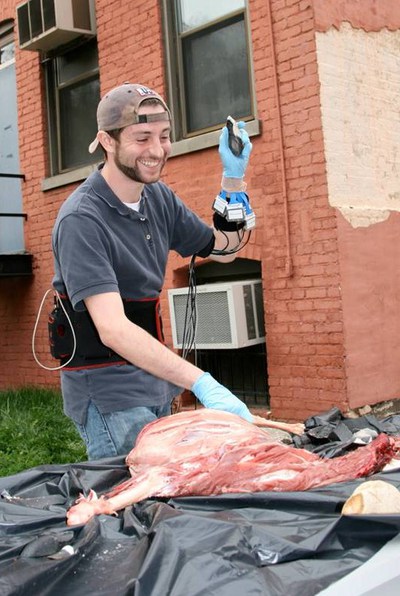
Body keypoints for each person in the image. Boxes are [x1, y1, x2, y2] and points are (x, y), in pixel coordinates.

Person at [51, 82, 254, 460]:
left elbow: (224, 250)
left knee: (171, 503)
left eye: (163, 136)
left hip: (156, 384)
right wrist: (201, 381)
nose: (157, 150)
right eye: (142, 138)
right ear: (107, 142)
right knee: (136, 507)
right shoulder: (82, 218)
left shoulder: (158, 197)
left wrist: (233, 182)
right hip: (110, 394)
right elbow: (111, 328)